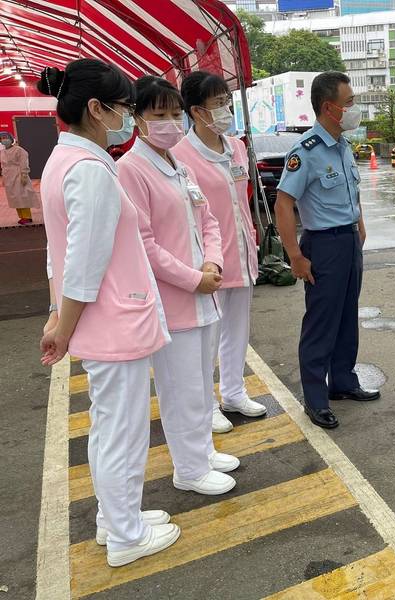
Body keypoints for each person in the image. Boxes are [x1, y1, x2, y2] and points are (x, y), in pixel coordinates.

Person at [37, 59, 180, 567]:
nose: (127, 117)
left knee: (109, 427)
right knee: (122, 431)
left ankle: (116, 517)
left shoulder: (62, 162)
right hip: (114, 321)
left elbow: (60, 253)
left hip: (102, 321)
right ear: (97, 109)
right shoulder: (92, 171)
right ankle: (125, 535)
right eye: (123, 108)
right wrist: (63, 326)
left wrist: (59, 316)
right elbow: (84, 264)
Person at [118, 76, 239, 496]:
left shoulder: (179, 165)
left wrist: (213, 261)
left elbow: (207, 220)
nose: (169, 123)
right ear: (136, 119)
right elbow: (144, 244)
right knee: (180, 388)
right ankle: (188, 469)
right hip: (176, 299)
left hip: (204, 290)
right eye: (158, 115)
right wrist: (193, 279)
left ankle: (202, 453)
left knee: (201, 383)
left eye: (174, 114)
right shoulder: (131, 170)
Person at [275, 71, 378, 430]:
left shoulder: (344, 146)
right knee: (321, 323)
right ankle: (316, 399)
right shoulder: (306, 151)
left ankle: (344, 382)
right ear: (329, 107)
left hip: (349, 241)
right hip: (323, 245)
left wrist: (359, 226)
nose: (354, 109)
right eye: (349, 103)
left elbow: (353, 193)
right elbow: (284, 203)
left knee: (347, 316)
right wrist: (295, 255)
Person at [172, 71, 267, 434]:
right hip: (209, 261)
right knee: (207, 338)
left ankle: (233, 392)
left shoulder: (237, 147)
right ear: (197, 111)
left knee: (237, 330)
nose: (226, 109)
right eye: (218, 104)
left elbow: (243, 200)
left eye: (227, 101)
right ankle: (206, 404)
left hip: (242, 253)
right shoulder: (180, 155)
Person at [0, 131, 40, 224]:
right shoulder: (2, 152)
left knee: (22, 196)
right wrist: (3, 178)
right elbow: (3, 165)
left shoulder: (19, 150)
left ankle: (27, 217)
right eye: (1, 139)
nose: (4, 140)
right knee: (14, 198)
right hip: (8, 177)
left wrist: (24, 175)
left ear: (11, 139)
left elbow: (23, 163)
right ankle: (21, 216)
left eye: (5, 138)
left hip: (18, 175)